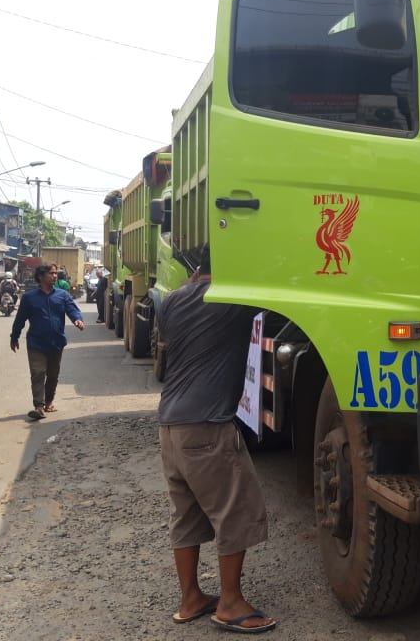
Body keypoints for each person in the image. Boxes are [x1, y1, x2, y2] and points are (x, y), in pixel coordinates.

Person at [156, 249, 274, 633]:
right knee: (235, 509)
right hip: (206, 425)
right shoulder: (231, 302)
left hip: (170, 425)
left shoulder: (171, 302)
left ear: (196, 271)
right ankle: (230, 603)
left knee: (186, 515)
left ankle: (191, 599)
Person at [9, 263, 85, 420]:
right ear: (41, 276)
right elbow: (20, 319)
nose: (55, 276)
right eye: (51, 273)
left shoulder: (62, 295)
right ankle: (38, 406)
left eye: (56, 273)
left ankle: (49, 401)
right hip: (36, 343)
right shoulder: (29, 298)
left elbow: (72, 310)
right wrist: (14, 337)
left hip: (56, 342)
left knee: (52, 375)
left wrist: (77, 320)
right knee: (38, 373)